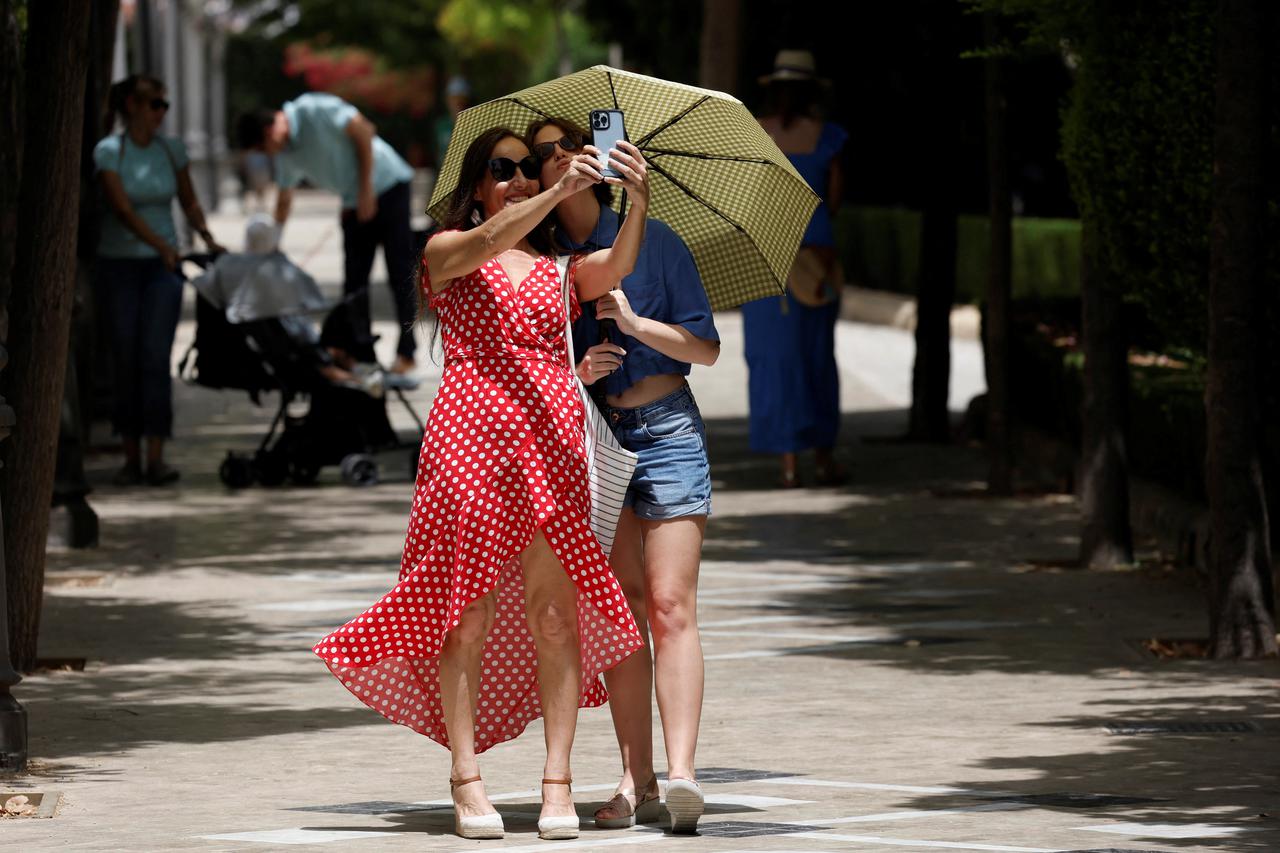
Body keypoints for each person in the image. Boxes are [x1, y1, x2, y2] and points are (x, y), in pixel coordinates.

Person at [313, 127, 652, 841]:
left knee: (556, 617)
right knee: (466, 613)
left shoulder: (560, 266)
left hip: (551, 449)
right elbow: (491, 238)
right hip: (470, 443)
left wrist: (636, 196)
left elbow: (616, 264)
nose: (522, 178)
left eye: (530, 169)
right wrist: (558, 189)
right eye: (505, 169)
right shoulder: (447, 251)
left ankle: (557, 780)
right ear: (476, 185)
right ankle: (465, 777)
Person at [529, 117, 720, 834]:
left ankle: (681, 775)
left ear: (592, 156)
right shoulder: (541, 260)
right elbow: (529, 365)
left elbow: (704, 349)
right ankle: (634, 777)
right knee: (622, 611)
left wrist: (636, 327)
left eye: (563, 148)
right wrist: (576, 372)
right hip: (599, 436)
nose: (550, 163)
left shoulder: (657, 239)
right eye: (537, 156)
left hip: (667, 428)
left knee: (671, 604)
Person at [94, 73, 225, 487]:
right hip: (119, 267)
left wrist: (206, 237)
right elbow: (121, 210)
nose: (161, 113)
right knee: (126, 361)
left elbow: (188, 199)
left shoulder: (171, 150)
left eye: (164, 106)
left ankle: (156, 457)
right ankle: (130, 457)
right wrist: (161, 245)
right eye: (155, 105)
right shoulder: (110, 151)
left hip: (162, 271)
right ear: (131, 105)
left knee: (154, 360)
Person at [236, 93, 419, 374]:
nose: (268, 155)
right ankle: (362, 355)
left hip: (388, 184)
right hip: (353, 200)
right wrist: (270, 247)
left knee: (399, 272)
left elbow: (364, 130)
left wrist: (366, 188)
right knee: (354, 282)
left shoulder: (313, 108)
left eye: (263, 148)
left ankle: (407, 353)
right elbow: (284, 200)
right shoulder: (286, 155)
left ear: (268, 130)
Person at [741, 49, 849, 488]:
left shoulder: (753, 135)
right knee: (817, 356)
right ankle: (823, 458)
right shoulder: (829, 138)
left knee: (772, 357)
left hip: (766, 259)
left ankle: (788, 463)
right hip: (816, 262)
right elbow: (835, 202)